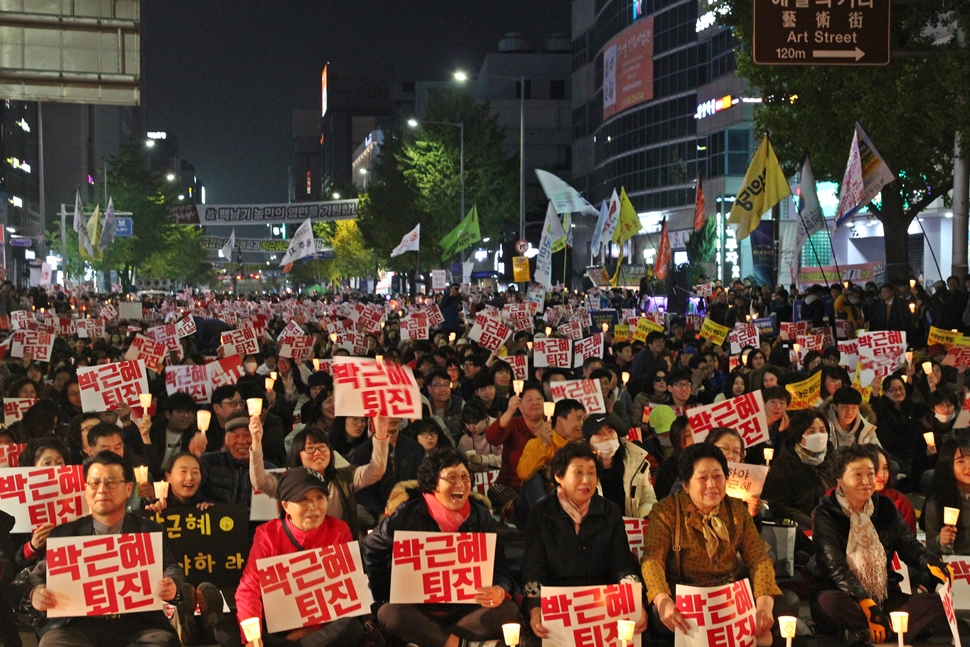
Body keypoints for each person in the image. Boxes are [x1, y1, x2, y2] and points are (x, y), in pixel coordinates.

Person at [361, 448, 520, 647]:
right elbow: (371, 546)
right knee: (389, 613)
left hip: (466, 611)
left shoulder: (481, 517)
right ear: (433, 482)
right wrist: (386, 591)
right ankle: (462, 644)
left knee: (509, 611)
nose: (460, 483)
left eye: (465, 476)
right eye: (451, 477)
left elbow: (500, 565)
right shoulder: (407, 515)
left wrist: (499, 589)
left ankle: (436, 641)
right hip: (419, 610)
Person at [25, 451, 186, 647]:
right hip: (78, 624)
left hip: (137, 623)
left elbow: (171, 567)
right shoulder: (66, 533)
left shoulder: (147, 530)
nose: (102, 489)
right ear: (86, 489)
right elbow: (37, 574)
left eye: (111, 482)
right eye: (94, 483)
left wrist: (171, 585)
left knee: (162, 643)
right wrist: (36, 592)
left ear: (128, 489)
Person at [810, 444, 950, 645]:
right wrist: (868, 606)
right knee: (829, 605)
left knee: (940, 602)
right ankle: (894, 630)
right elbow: (835, 568)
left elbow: (908, 545)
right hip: (842, 593)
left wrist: (931, 562)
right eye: (858, 475)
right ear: (839, 479)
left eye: (870, 474)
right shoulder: (826, 513)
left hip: (883, 593)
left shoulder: (884, 507)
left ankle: (864, 633)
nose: (867, 481)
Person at [641, 443, 781, 642]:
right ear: (686, 484)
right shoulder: (666, 511)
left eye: (717, 476)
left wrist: (764, 605)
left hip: (728, 593)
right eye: (702, 478)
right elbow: (652, 560)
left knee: (785, 604)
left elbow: (758, 558)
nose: (711, 485)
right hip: (685, 595)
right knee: (658, 614)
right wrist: (663, 599)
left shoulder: (736, 509)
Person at [523, 442, 646, 640]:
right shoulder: (541, 512)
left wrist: (635, 600)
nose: (586, 480)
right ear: (559, 477)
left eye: (591, 473)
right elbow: (533, 567)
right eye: (578, 473)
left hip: (602, 600)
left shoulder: (610, 511)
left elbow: (622, 564)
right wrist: (534, 607)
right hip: (559, 603)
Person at [231, 468, 363, 647]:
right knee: (227, 629)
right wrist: (253, 638)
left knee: (351, 626)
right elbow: (249, 588)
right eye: (304, 499)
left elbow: (348, 591)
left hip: (321, 626)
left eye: (320, 497)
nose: (314, 507)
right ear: (285, 506)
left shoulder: (339, 531)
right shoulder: (267, 535)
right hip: (278, 623)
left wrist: (308, 630)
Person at [252, 415, 388, 538]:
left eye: (323, 447)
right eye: (310, 448)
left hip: (341, 548)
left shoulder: (344, 477)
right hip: (303, 549)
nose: (318, 453)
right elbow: (260, 481)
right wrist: (256, 443)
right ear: (297, 454)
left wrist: (381, 436)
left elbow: (375, 471)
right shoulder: (288, 482)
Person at [762, 410, 835, 551]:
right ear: (798, 434)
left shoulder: (835, 461)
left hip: (831, 523)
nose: (818, 435)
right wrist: (811, 522)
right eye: (811, 431)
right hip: (802, 527)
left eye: (822, 430)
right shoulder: (784, 464)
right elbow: (779, 505)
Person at [583, 413, 658, 518]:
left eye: (610, 431)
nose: (606, 437)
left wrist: (646, 516)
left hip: (631, 527)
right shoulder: (581, 470)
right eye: (598, 433)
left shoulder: (636, 463)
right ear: (588, 442)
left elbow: (647, 498)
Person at [924, 438, 970, 555]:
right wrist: (941, 541)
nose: (968, 466)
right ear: (948, 465)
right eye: (960, 461)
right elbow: (929, 548)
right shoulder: (937, 504)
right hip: (957, 566)